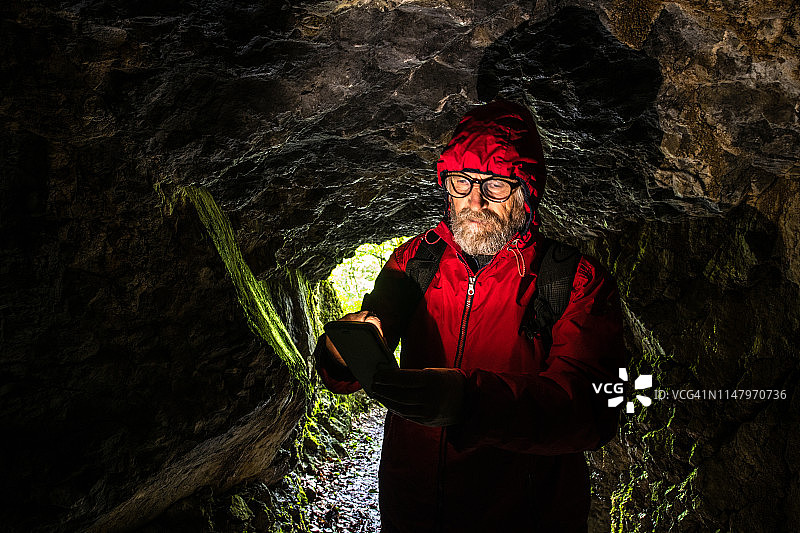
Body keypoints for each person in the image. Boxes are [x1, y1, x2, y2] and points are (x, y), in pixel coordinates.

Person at [314, 99, 627, 532]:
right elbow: (348, 369)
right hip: (413, 510)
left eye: (495, 184)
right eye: (462, 182)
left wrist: (471, 402)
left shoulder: (574, 280)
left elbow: (595, 411)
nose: (474, 200)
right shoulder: (414, 262)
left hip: (521, 516)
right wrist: (340, 348)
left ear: (525, 193)